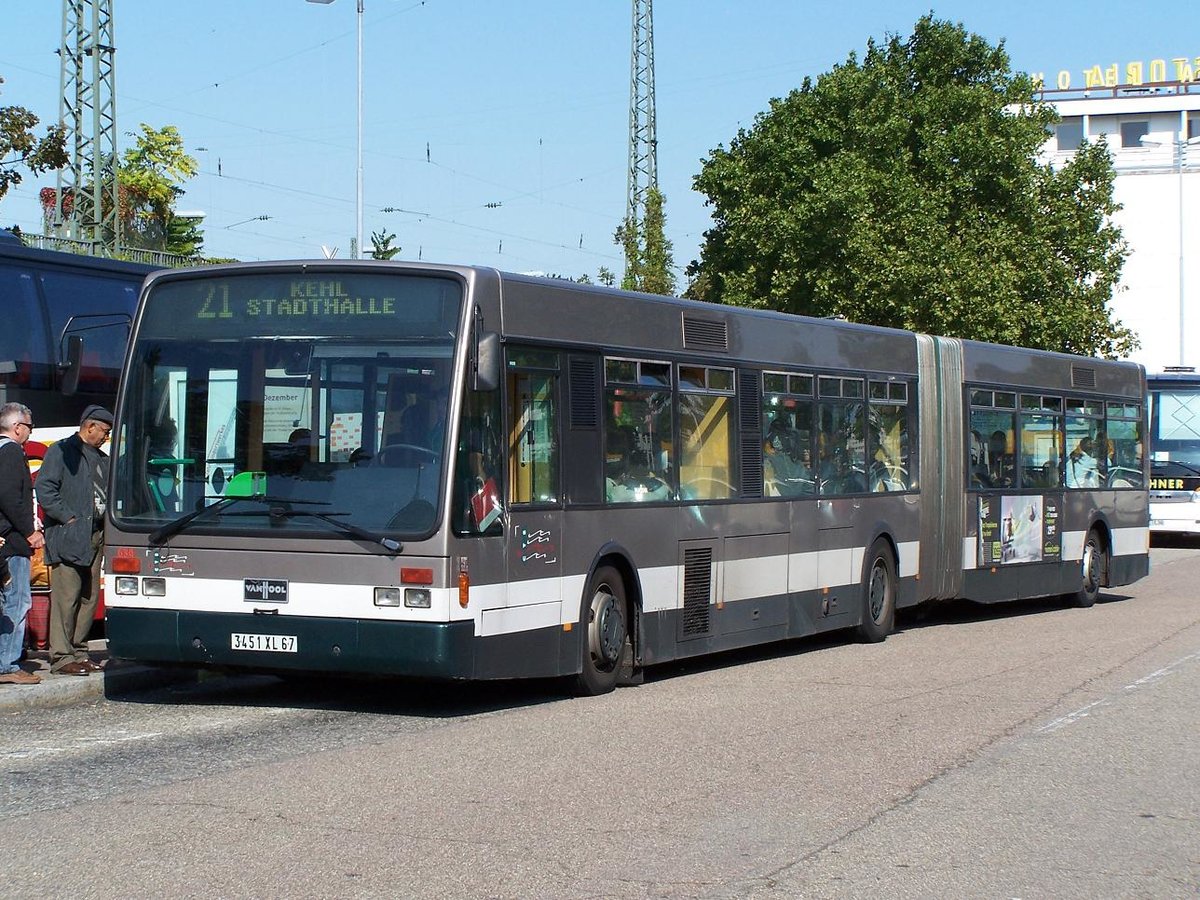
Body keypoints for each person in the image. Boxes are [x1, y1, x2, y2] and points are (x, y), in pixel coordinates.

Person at [37, 405, 113, 676]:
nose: (106, 436)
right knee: (66, 598)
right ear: (89, 426)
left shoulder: (102, 458)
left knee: (89, 597)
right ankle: (61, 657)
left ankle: (79, 652)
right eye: (104, 430)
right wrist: (68, 518)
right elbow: (45, 488)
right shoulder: (60, 451)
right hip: (69, 535)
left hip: (95, 535)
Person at [0, 402, 46, 685]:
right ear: (17, 427)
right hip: (12, 540)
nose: (30, 433)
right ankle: (7, 664)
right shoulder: (12, 451)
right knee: (16, 602)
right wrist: (30, 531)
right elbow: (10, 496)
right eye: (29, 427)